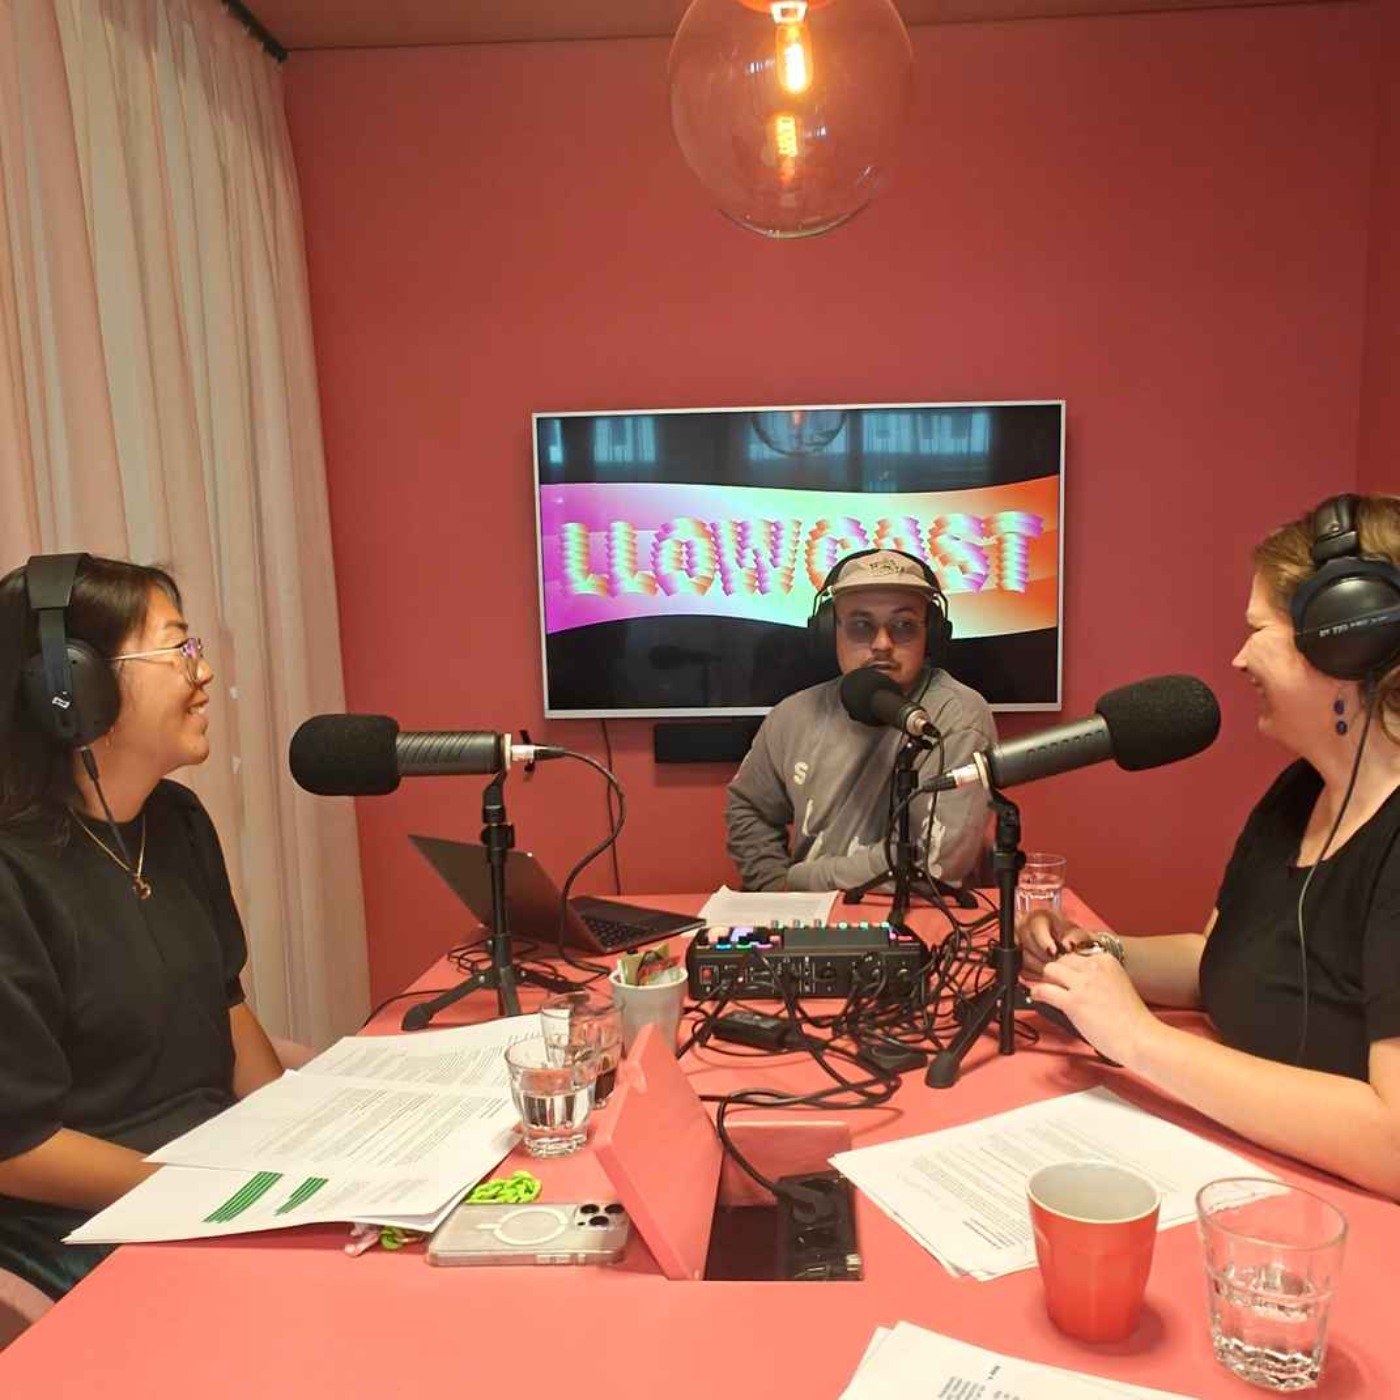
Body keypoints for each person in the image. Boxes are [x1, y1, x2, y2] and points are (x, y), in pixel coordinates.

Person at [1019, 493, 1400, 1199]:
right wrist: (1099, 954)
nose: (1239, 657)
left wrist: (1140, 1040)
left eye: (1258, 630)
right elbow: (1221, 961)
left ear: (1346, 639)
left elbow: (1394, 1143)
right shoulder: (1301, 791)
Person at [0, 554, 285, 1299]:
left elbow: (228, 1012)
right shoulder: (11, 875)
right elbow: (16, 1147)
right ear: (72, 688)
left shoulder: (178, 821)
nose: (203, 672)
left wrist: (301, 1149)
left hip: (211, 1184)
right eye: (177, 648)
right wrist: (205, 1189)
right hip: (84, 1225)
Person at [726, 548, 996, 892]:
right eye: (861, 626)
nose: (882, 644)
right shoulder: (792, 716)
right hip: (809, 915)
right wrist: (774, 887)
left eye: (903, 626)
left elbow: (934, 861)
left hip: (921, 913)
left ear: (931, 634)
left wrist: (799, 881)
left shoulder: (957, 716)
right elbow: (749, 808)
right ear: (829, 632)